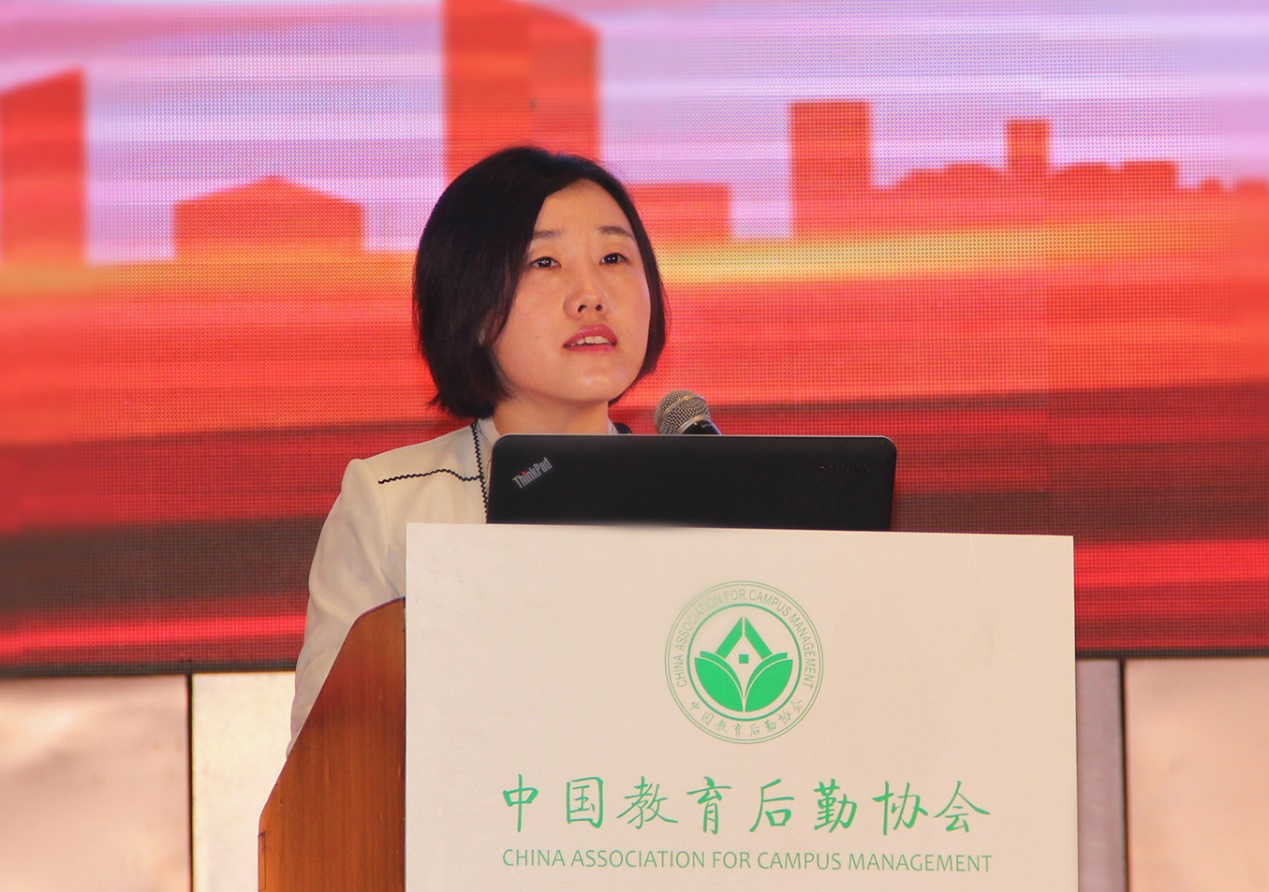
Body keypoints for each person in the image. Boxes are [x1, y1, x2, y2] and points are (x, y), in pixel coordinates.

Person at [288, 147, 668, 746]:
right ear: (471, 303)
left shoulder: (704, 497)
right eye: (544, 262)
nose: (591, 295)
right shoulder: (392, 505)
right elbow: (332, 760)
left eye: (614, 257)